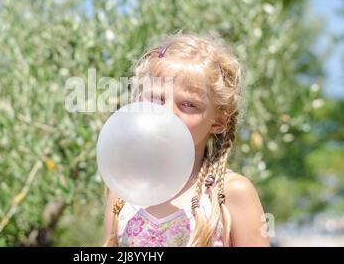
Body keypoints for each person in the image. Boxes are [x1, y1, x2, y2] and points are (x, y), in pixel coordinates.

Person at [103, 33, 270, 247]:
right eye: (156, 99)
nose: (167, 113)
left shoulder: (230, 193)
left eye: (189, 104)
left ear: (218, 121)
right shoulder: (123, 187)